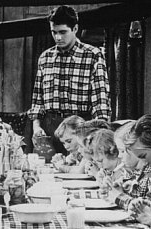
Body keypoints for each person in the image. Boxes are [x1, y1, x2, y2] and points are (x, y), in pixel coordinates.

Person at [27, 5, 111, 155]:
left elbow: (101, 101)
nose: (58, 37)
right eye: (54, 32)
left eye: (63, 32)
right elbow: (38, 100)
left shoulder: (93, 55)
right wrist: (36, 126)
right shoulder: (45, 58)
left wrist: (98, 136)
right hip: (50, 129)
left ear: (75, 29)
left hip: (80, 128)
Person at [106, 121, 151, 210]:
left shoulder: (150, 172)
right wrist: (115, 189)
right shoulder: (133, 172)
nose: (119, 156)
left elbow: (144, 208)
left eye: (122, 151)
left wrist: (118, 195)